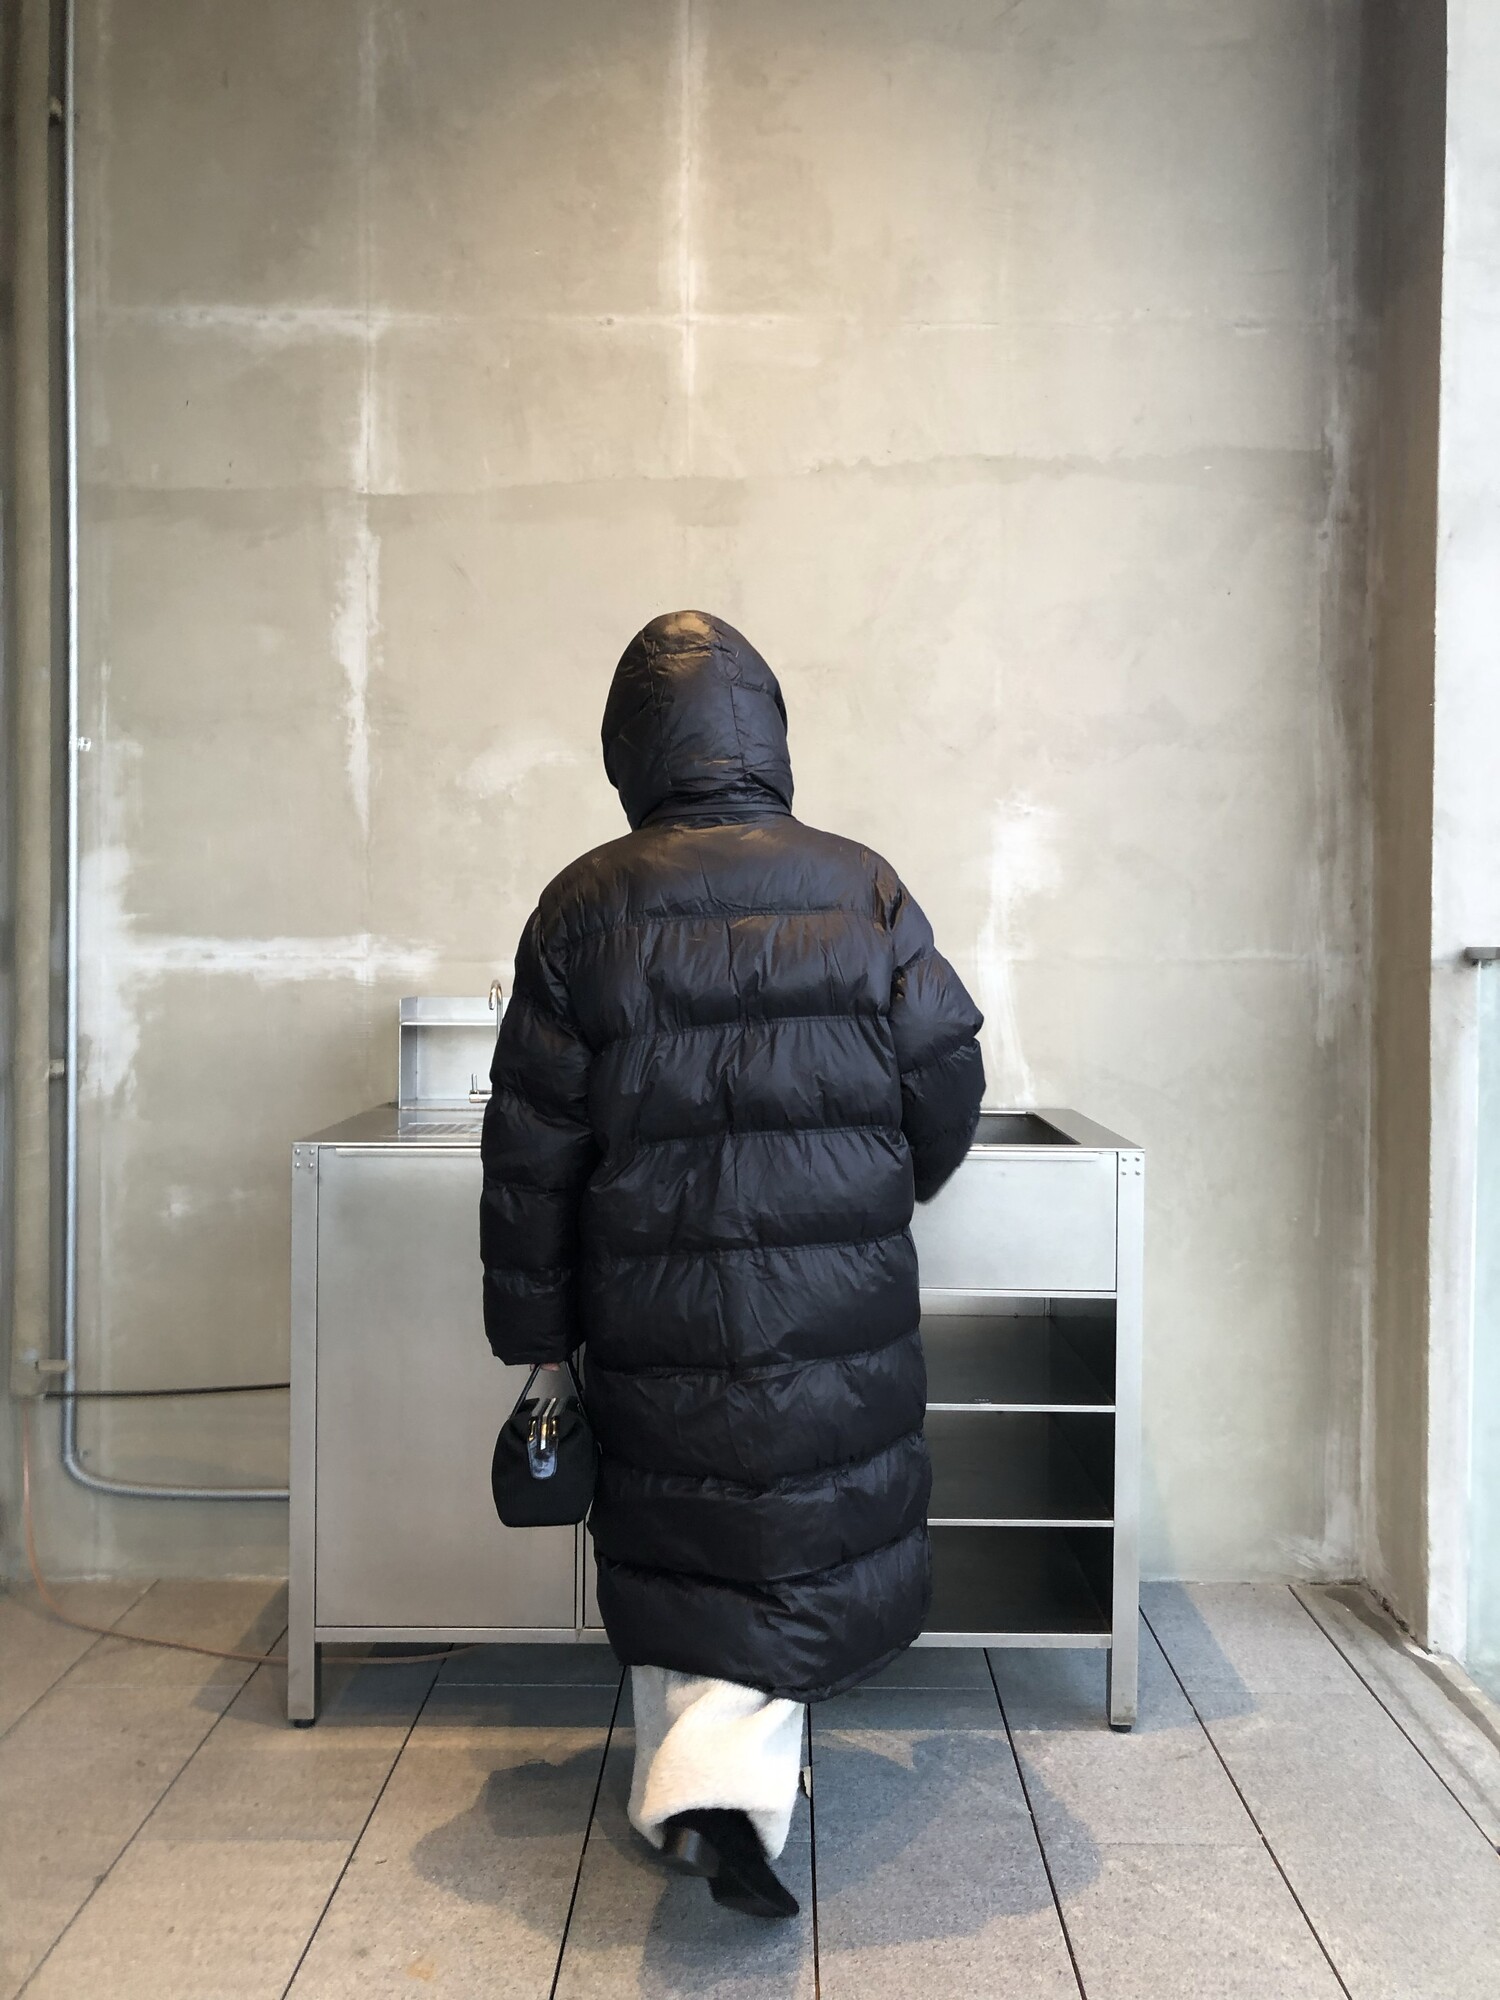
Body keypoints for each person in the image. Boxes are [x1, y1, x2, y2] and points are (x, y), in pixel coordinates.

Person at [480, 610, 984, 1919]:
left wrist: (534, 1335)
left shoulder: (582, 908)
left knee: (681, 1524)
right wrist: (873, 1195)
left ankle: (709, 1792)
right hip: (833, 1292)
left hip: (651, 1294)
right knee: (788, 1519)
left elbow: (531, 1153)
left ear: (632, 749)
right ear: (766, 733)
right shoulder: (863, 888)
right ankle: (716, 1795)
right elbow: (947, 1078)